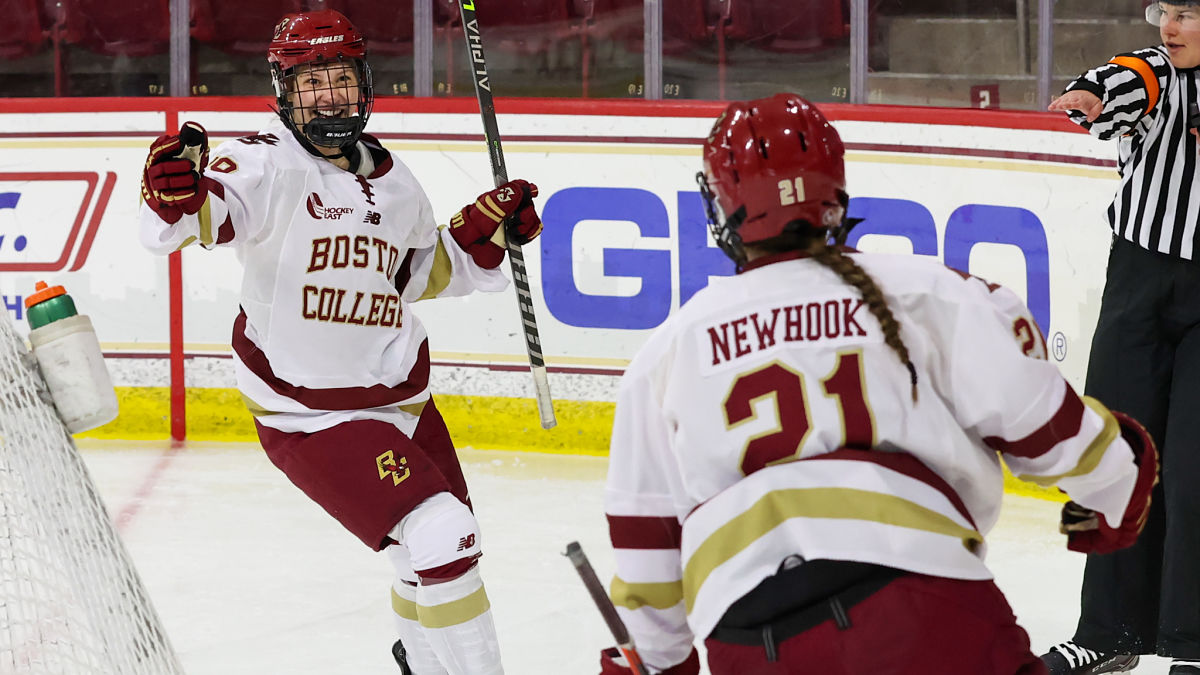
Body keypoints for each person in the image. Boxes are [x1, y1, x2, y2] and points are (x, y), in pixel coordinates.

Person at [595, 93, 1159, 675]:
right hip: (926, 607)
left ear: (721, 206)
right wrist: (1118, 484)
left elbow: (646, 550)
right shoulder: (929, 291)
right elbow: (1049, 430)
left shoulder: (665, 353)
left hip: (753, 640)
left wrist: (655, 664)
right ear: (835, 192)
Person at [138, 10, 543, 674]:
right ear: (283, 91)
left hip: (405, 399)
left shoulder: (395, 176)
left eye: (341, 78)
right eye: (311, 82)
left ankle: (426, 665)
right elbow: (206, 212)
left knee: (432, 553)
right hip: (316, 414)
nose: (328, 95)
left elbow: (413, 275)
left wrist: (478, 241)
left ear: (365, 84)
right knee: (442, 531)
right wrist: (173, 201)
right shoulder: (265, 162)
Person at [1039, 2, 1200, 674]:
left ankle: (1192, 639)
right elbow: (1127, 77)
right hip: (1138, 281)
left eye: (1191, 12)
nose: (1173, 24)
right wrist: (1091, 91)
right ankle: (1105, 628)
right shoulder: (1158, 70)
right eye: (1169, 9)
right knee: (1108, 455)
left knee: (1193, 473)